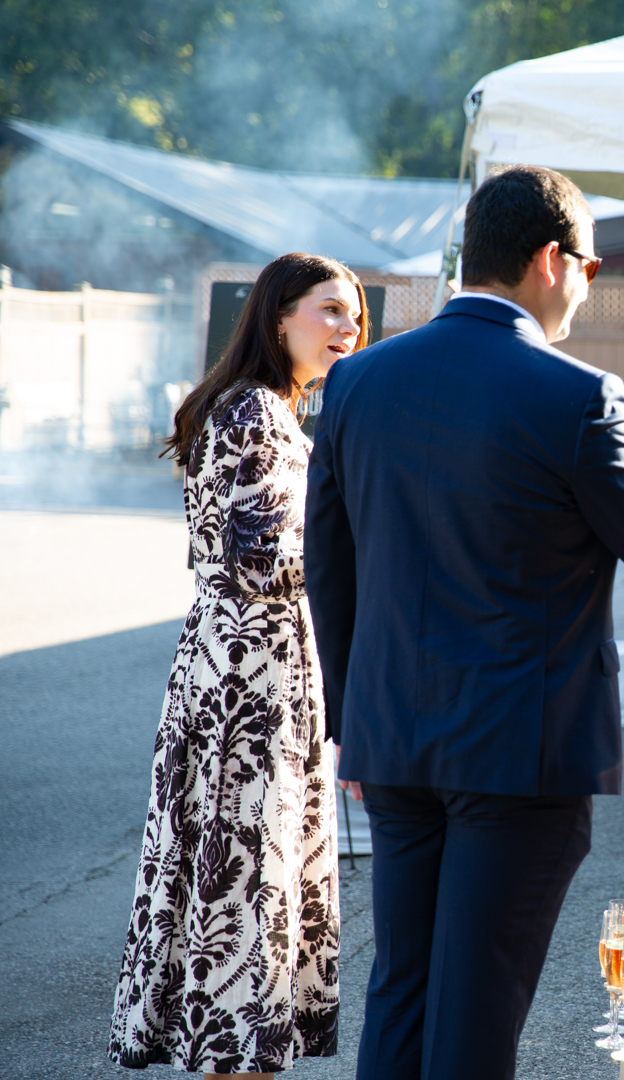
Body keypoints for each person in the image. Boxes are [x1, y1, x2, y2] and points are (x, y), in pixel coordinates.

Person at [302, 166, 624, 1080]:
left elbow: (330, 575)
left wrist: (352, 725)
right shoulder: (578, 396)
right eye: (593, 264)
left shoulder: (358, 384)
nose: (590, 282)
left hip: (393, 738)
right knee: (476, 1011)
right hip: (516, 752)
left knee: (403, 987)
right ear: (549, 259)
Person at [109, 254, 366, 1077]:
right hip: (245, 684)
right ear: (279, 316)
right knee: (239, 891)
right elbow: (264, 560)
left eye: (355, 316)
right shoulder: (254, 410)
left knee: (247, 889)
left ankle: (243, 1056)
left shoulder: (274, 410)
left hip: (251, 672)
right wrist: (372, 540)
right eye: (330, 311)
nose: (348, 329)